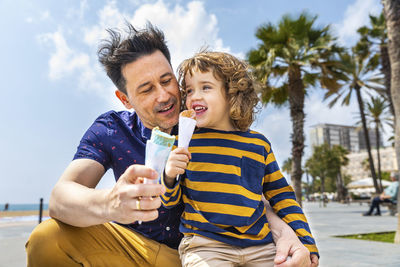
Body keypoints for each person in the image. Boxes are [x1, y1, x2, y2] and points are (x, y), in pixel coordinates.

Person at [25, 23, 317, 267]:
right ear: (125, 99)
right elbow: (60, 198)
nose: (165, 96)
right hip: (134, 249)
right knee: (46, 239)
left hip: (205, 252)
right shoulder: (111, 128)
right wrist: (110, 204)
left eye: (167, 81)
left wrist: (285, 231)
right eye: (147, 89)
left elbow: (245, 184)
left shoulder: (204, 122)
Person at [161, 51, 319, 267]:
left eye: (205, 87)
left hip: (260, 245)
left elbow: (282, 196)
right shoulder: (183, 142)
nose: (194, 96)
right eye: (189, 90)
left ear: (232, 94)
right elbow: (169, 201)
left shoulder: (258, 145)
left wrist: (306, 243)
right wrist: (169, 175)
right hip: (207, 245)